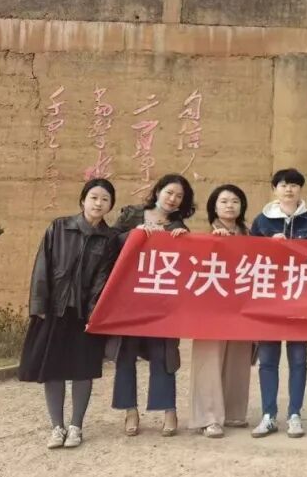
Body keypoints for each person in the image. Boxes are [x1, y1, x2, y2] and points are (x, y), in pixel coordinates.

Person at [20, 179, 119, 449]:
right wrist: (39, 306)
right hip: (55, 309)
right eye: (94, 197)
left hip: (86, 314)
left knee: (82, 370)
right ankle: (57, 427)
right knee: (53, 370)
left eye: (105, 199)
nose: (98, 203)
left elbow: (103, 279)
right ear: (83, 200)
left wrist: (96, 315)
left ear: (110, 206)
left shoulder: (110, 238)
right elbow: (42, 266)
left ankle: (76, 427)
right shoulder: (59, 227)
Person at [109, 173, 193, 437]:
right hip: (129, 298)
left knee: (163, 355)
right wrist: (132, 235)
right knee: (126, 354)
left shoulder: (179, 227)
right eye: (169, 192)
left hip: (161, 301)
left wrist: (184, 241)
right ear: (157, 192)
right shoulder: (131, 215)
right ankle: (130, 410)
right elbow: (109, 243)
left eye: (179, 196)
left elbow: (185, 264)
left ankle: (169, 410)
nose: (173, 199)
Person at [249, 167, 307, 439]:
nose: (288, 189)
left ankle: (294, 414)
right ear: (275, 189)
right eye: (283, 184)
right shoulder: (261, 221)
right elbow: (248, 257)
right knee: (268, 359)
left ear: (300, 189)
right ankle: (268, 415)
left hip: (300, 299)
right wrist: (269, 245)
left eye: (293, 184)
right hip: (269, 299)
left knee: (298, 359)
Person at [188, 184, 254, 438]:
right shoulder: (203, 235)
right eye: (224, 201)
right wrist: (212, 243)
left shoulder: (250, 235)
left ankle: (234, 412)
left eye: (235, 201)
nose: (230, 205)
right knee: (209, 360)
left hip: (241, 306)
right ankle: (209, 417)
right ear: (214, 207)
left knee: (239, 359)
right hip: (210, 308)